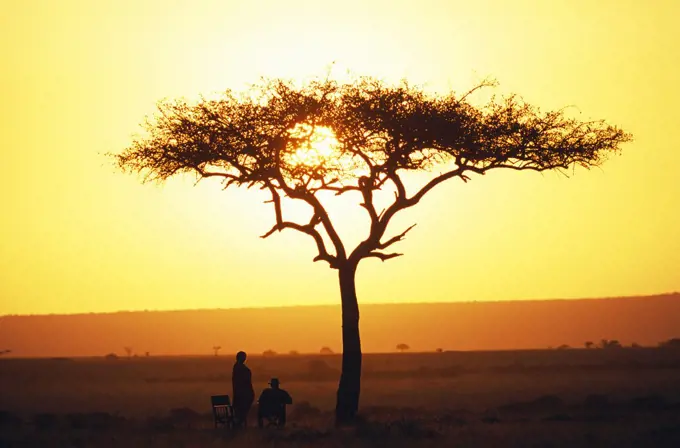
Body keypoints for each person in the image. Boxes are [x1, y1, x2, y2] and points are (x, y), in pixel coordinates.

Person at [231, 351, 254, 427]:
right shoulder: (240, 368)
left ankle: (238, 422)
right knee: (242, 410)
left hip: (239, 393)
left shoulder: (236, 367)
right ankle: (238, 423)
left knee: (240, 410)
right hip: (243, 394)